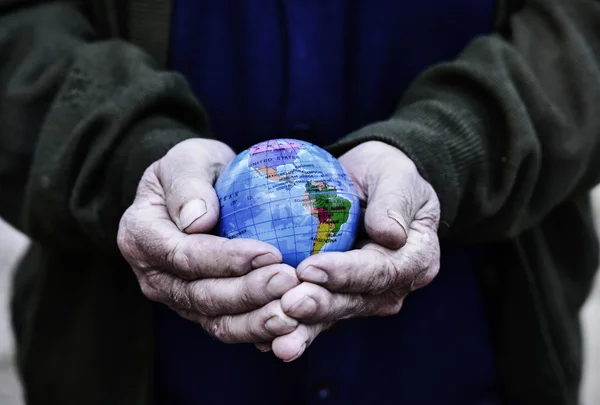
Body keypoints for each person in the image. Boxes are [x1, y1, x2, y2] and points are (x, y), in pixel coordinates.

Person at [1, 0, 600, 404]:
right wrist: (133, 157)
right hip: (131, 367)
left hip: (473, 363)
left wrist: (450, 152)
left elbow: (581, 30)